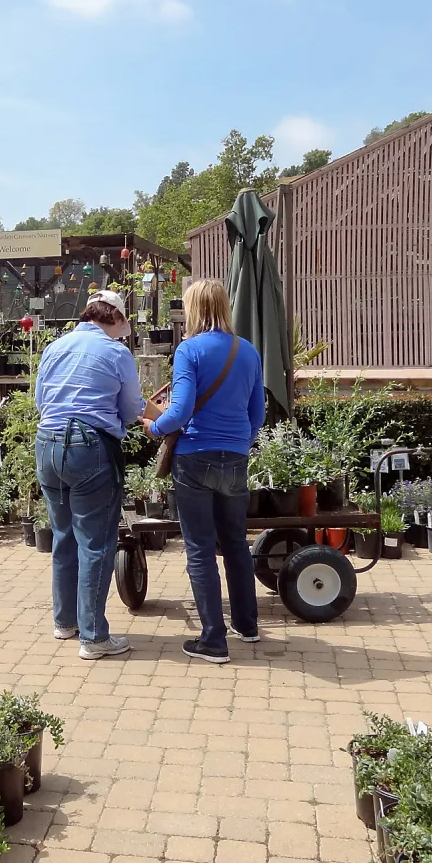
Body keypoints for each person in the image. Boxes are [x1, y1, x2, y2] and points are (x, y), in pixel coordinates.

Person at [142, 279, 265, 664]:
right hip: (236, 456)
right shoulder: (248, 351)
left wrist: (154, 428)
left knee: (199, 549)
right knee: (235, 543)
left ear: (194, 309)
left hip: (194, 457)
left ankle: (213, 639)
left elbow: (179, 412)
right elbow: (257, 414)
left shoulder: (189, 350)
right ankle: (248, 625)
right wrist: (238, 444)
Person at [35, 290, 163, 660]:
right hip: (89, 446)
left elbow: (43, 402)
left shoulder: (55, 348)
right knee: (96, 543)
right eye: (125, 325)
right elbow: (129, 411)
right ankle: (93, 638)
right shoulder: (116, 352)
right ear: (117, 320)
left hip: (47, 445)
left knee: (63, 536)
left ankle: (66, 622)